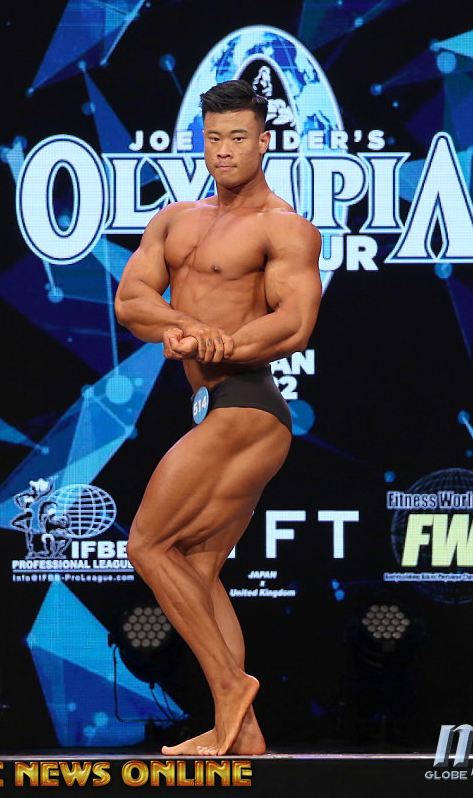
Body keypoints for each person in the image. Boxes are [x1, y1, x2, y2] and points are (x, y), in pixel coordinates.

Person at [115, 79, 321, 756]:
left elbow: (294, 323)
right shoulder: (176, 220)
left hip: (249, 406)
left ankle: (232, 688)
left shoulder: (283, 227)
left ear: (264, 142)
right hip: (216, 408)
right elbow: (132, 301)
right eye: (213, 138)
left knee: (147, 544)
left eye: (238, 137)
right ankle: (244, 733)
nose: (225, 150)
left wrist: (221, 344)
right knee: (197, 569)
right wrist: (184, 326)